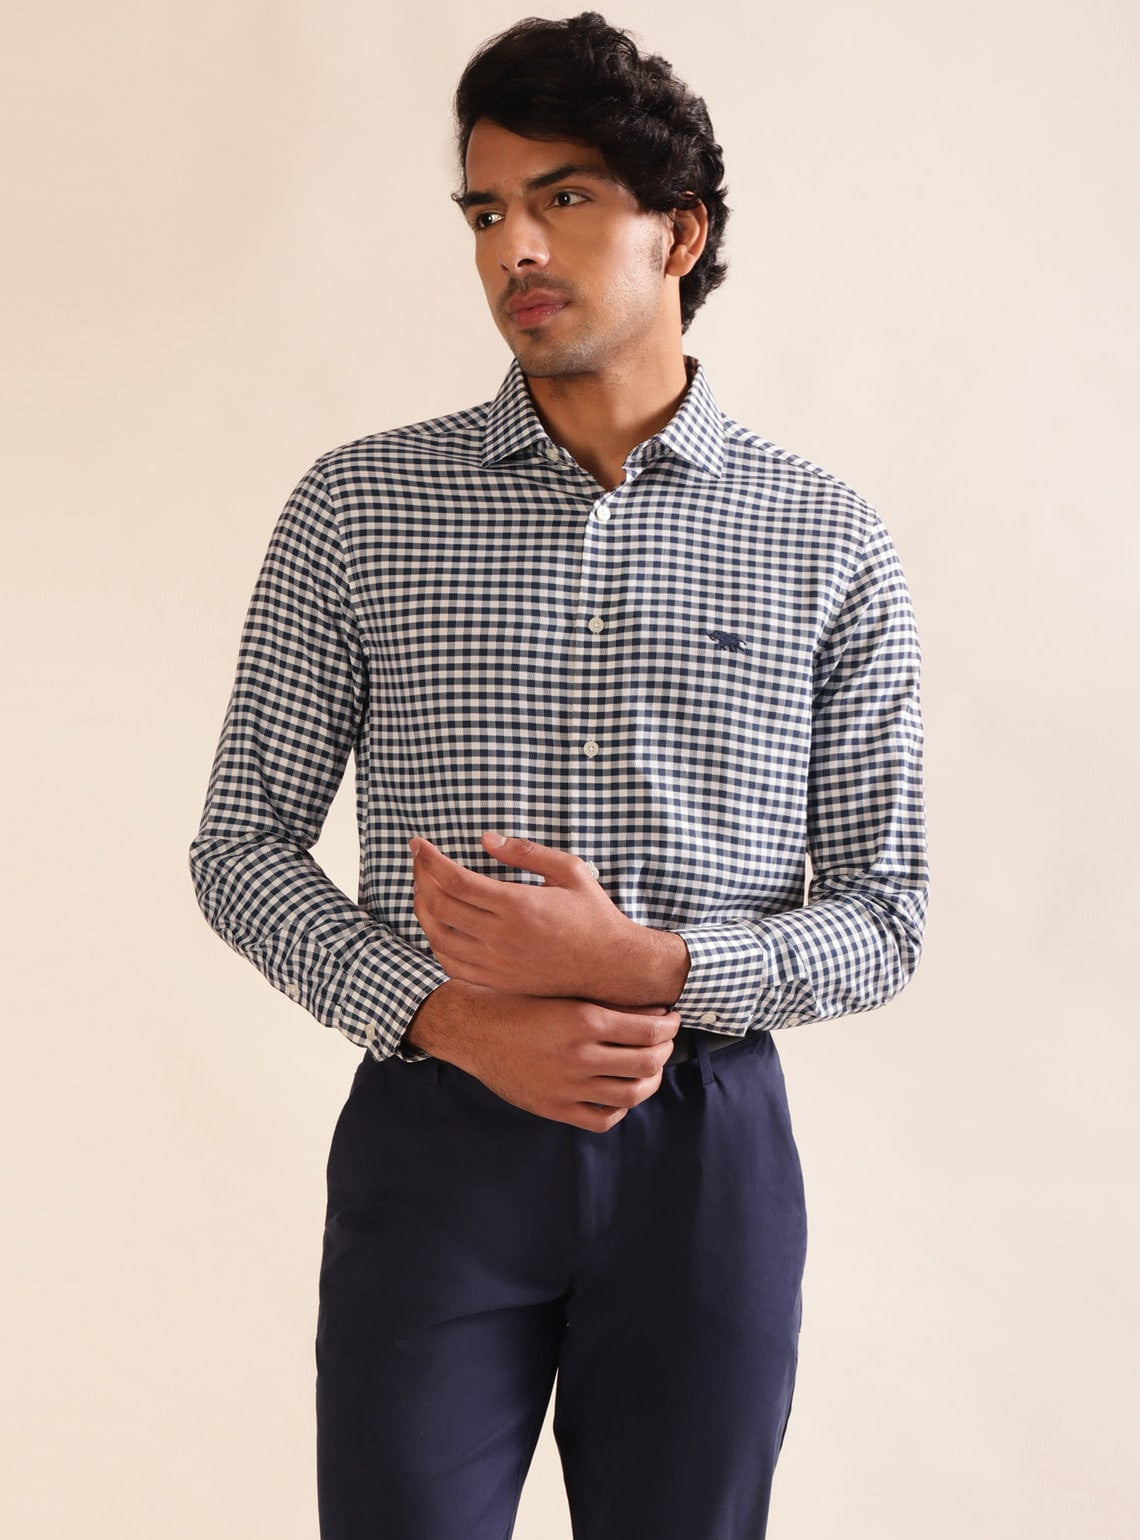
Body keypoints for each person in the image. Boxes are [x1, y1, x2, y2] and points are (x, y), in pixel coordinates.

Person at [190, 12, 928, 1538]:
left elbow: (889, 909)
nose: (513, 247)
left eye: (564, 197)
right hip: (435, 1134)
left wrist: (651, 966)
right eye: (484, 211)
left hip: (704, 1151)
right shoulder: (360, 508)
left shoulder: (826, 540)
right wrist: (447, 1015)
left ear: (681, 232)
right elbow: (241, 844)